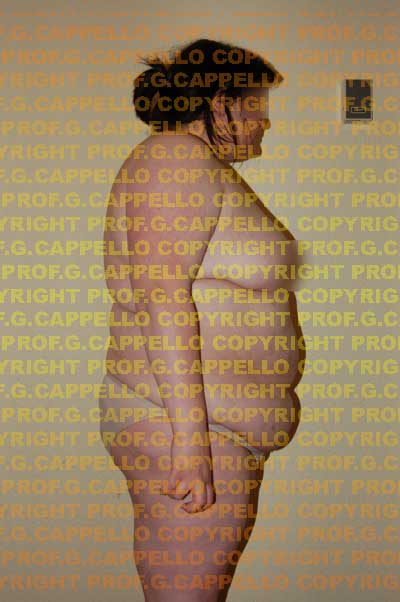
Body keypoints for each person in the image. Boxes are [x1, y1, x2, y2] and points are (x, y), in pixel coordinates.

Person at [98, 37, 305, 601]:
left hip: (207, 429)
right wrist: (191, 445)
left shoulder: (195, 167)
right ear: (221, 101)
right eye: (257, 103)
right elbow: (161, 296)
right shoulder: (174, 157)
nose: (266, 122)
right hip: (187, 427)